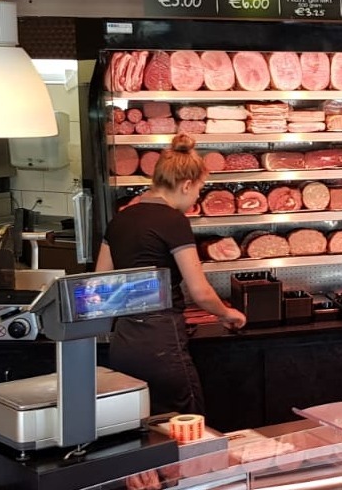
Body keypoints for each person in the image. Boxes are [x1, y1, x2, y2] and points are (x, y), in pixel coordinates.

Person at [97, 134, 246, 415]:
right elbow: (200, 292)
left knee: (138, 421)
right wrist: (228, 314)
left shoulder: (120, 219)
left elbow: (100, 282)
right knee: (184, 421)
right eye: (199, 189)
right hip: (161, 343)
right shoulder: (173, 220)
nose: (197, 196)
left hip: (123, 342)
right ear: (186, 184)